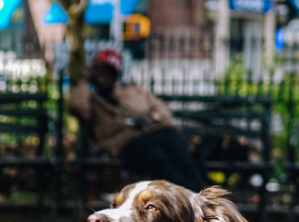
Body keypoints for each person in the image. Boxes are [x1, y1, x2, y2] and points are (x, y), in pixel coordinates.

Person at [69, 49, 206, 192]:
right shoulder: (91, 100)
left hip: (154, 132)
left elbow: (162, 110)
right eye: (99, 69)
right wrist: (84, 80)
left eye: (107, 70)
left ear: (115, 72)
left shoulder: (133, 90)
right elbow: (76, 106)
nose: (103, 75)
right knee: (157, 158)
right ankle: (188, 196)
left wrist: (152, 118)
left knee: (177, 147)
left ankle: (198, 195)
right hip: (125, 142)